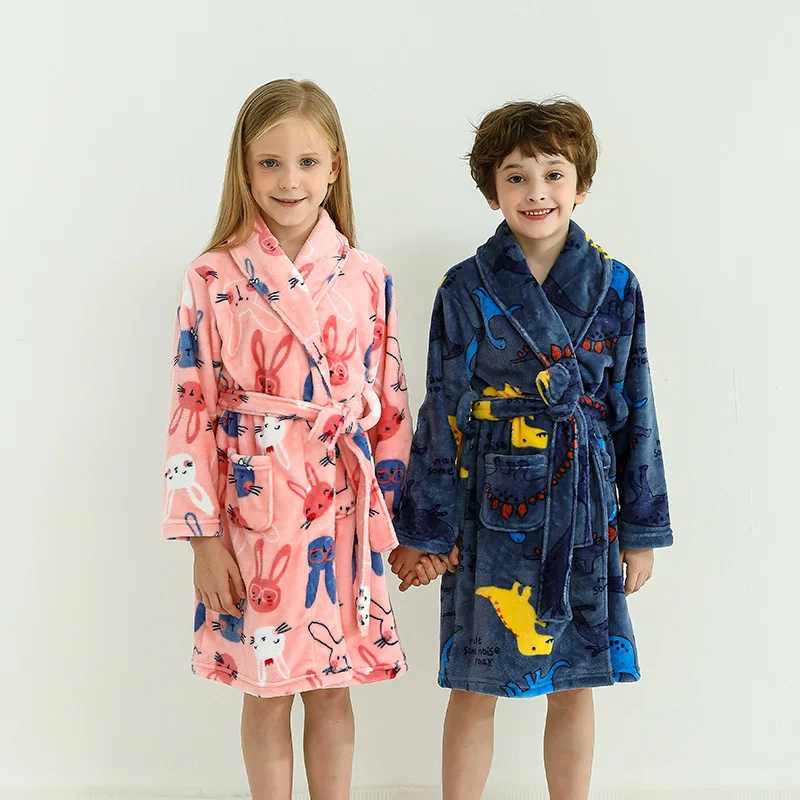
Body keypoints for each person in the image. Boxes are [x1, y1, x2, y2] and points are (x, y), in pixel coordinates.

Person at [389, 99, 673, 800]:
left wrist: (640, 533)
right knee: (473, 682)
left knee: (577, 682)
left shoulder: (617, 285)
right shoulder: (464, 286)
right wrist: (427, 530)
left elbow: (637, 409)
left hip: (585, 509)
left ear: (582, 184)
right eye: (516, 176)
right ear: (493, 190)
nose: (536, 192)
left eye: (553, 173)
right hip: (489, 507)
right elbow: (441, 410)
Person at [162, 78, 412, 800]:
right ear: (244, 168)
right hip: (254, 517)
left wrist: (398, 525)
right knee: (265, 691)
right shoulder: (211, 276)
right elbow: (190, 408)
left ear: (334, 167)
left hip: (341, 512)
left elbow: (391, 407)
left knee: (333, 688)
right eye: (269, 163)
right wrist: (203, 540)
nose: (289, 180)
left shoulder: (368, 276)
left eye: (307, 162)